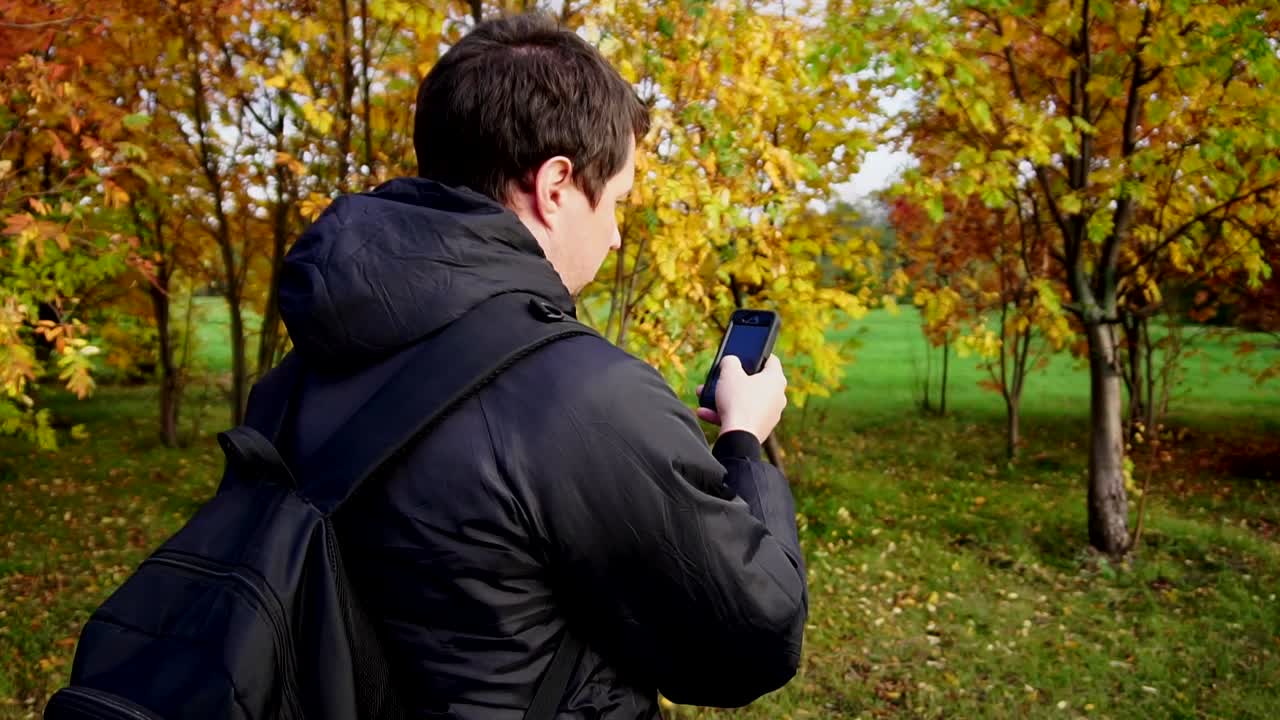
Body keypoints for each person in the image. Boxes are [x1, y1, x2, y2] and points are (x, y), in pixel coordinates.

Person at [275, 11, 807, 719]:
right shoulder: (580, 398)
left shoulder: (310, 361)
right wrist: (743, 442)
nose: (617, 237)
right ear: (556, 186)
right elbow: (751, 639)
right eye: (615, 202)